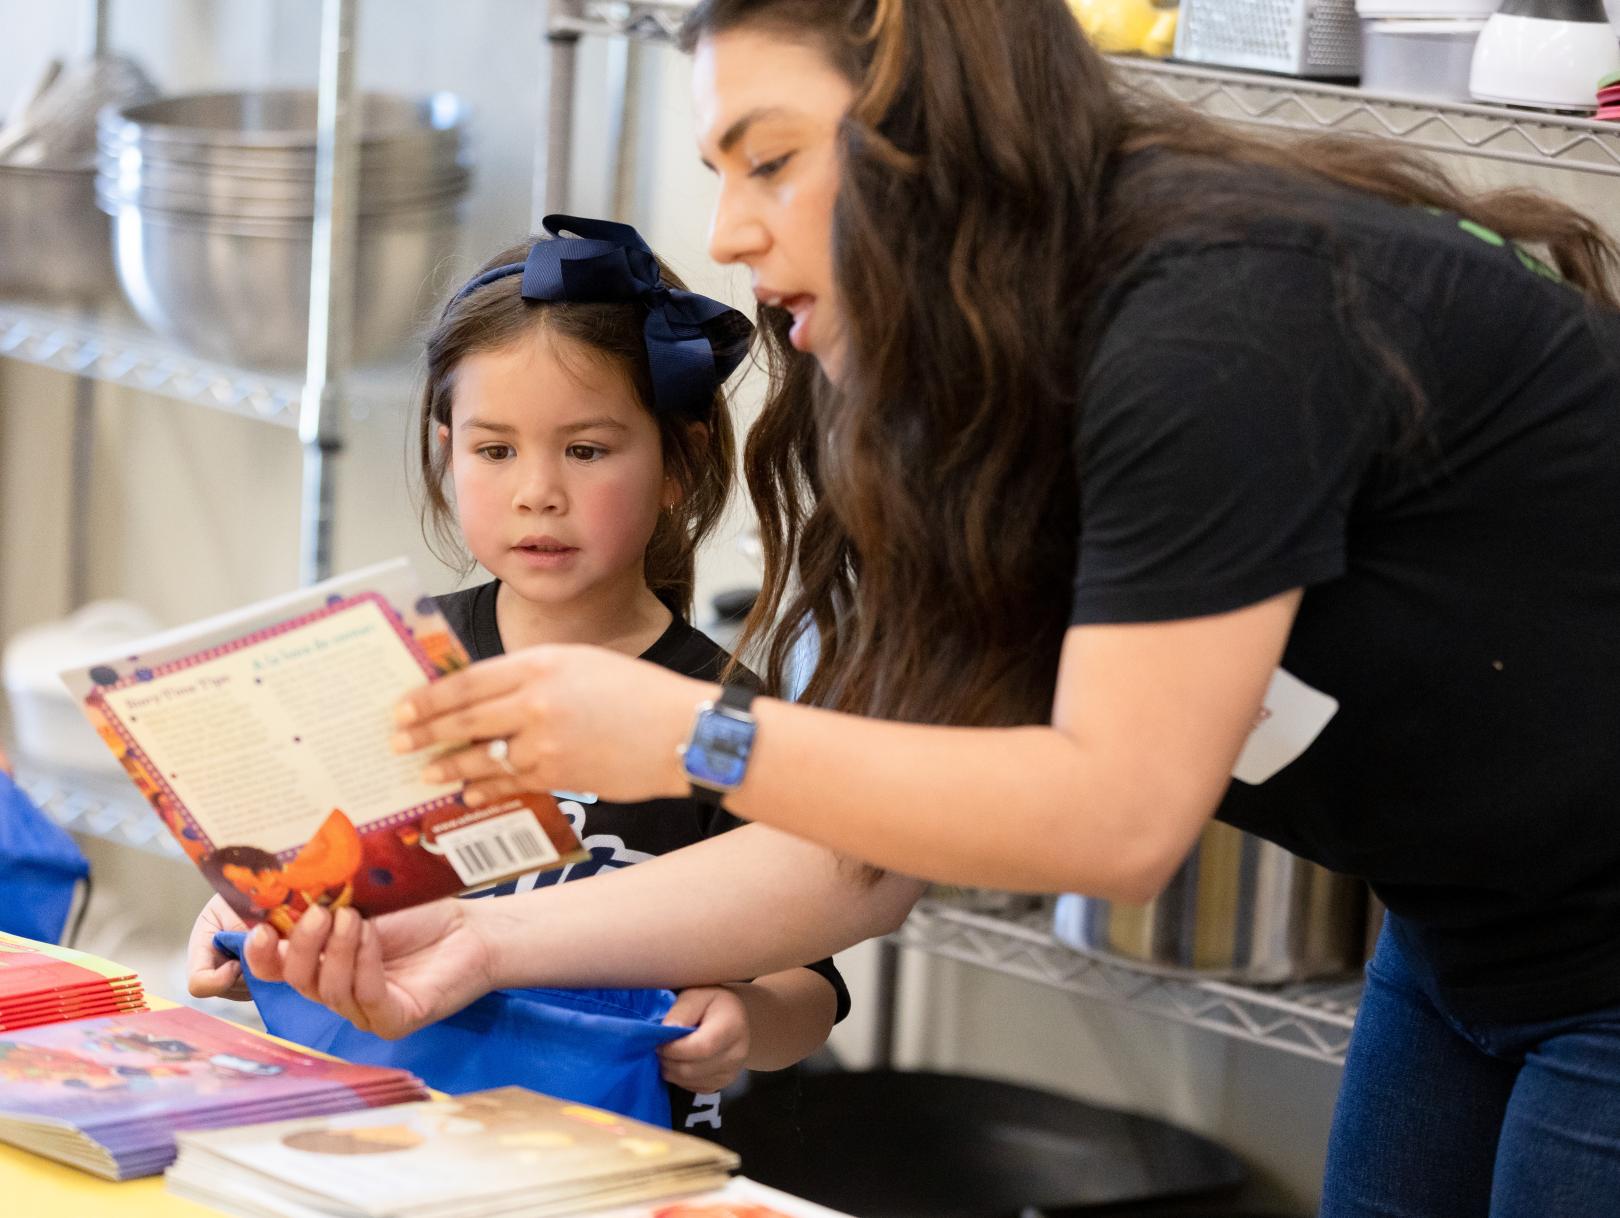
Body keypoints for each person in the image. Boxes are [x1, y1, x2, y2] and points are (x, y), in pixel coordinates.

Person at [195, 1, 1620, 1211]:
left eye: (771, 162)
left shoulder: (1214, 324)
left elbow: (1118, 816)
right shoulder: (972, 387)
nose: (730, 230)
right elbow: (855, 864)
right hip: (1467, 929)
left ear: (930, 127)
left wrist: (704, 736)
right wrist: (476, 944)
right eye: (719, 169)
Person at [188, 215, 849, 1134]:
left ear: (677, 462)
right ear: (446, 452)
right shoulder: (395, 664)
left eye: (585, 450)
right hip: (383, 1136)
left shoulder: (724, 715)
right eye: (494, 450)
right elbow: (306, 868)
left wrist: (746, 1021)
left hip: (607, 1155)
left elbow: (806, 984)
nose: (538, 490)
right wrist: (239, 927)